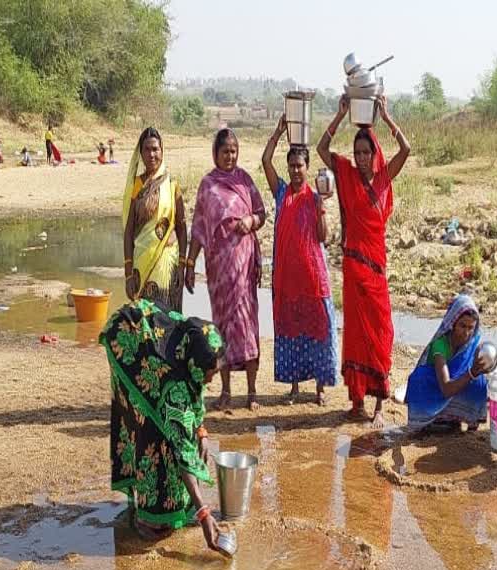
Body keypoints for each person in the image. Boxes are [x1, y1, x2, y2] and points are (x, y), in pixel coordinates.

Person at [100, 298, 229, 553]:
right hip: (126, 344)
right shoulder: (173, 386)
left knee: (170, 426)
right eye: (210, 374)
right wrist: (204, 514)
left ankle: (170, 505)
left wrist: (201, 429)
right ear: (195, 367)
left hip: (150, 339)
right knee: (150, 428)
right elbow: (182, 450)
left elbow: (195, 387)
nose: (211, 381)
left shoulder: (193, 344)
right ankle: (149, 517)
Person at [318, 94, 410, 428]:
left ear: (374, 153)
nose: (359, 158)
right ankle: (356, 400)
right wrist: (341, 114)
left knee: (380, 332)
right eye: (356, 152)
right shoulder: (344, 173)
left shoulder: (383, 178)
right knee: (355, 335)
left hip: (376, 271)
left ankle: (379, 404)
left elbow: (407, 150)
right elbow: (321, 149)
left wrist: (385, 117)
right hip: (354, 269)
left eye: (365, 152)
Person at [262, 114, 337, 405]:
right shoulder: (281, 192)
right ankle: (294, 387)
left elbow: (324, 237)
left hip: (313, 278)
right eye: (291, 166)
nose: (295, 171)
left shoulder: (315, 197)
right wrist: (279, 131)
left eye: (299, 166)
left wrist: (321, 210)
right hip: (286, 279)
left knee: (319, 328)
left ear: (307, 168)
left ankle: (319, 390)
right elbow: (266, 162)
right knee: (290, 330)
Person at [189, 128, 267, 410]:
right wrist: (189, 264)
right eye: (225, 151)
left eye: (234, 151)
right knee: (222, 328)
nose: (230, 156)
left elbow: (262, 213)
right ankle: (225, 391)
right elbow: (198, 228)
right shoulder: (207, 185)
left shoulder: (245, 180)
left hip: (244, 267)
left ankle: (252, 391)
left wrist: (251, 221)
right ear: (216, 154)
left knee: (247, 325)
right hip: (219, 269)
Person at [404, 294, 491, 433]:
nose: (466, 333)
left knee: (479, 381)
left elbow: (485, 362)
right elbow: (446, 388)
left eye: (471, 328)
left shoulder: (472, 343)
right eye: (462, 326)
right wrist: (471, 373)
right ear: (453, 323)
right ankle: (430, 420)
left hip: (457, 384)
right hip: (436, 387)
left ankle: (464, 419)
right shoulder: (440, 345)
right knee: (419, 379)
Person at [123, 127, 187, 311]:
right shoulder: (136, 185)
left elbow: (182, 228)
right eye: (147, 149)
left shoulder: (172, 184)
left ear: (162, 151)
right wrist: (128, 274)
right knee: (145, 322)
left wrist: (182, 265)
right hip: (141, 265)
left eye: (155, 149)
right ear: (140, 153)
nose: (151, 154)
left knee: (168, 320)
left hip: (167, 263)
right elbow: (128, 231)